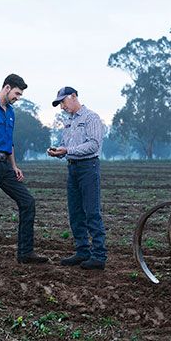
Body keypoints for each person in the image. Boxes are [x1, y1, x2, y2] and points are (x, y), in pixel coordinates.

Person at [0, 74, 48, 270]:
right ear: (6, 87)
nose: (18, 98)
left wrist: (14, 166)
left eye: (20, 95)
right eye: (16, 93)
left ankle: (25, 252)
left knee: (27, 201)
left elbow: (9, 143)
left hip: (6, 166)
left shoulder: (10, 113)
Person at [47, 86, 107, 270]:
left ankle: (99, 255)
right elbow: (66, 146)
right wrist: (58, 151)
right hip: (72, 168)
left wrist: (68, 150)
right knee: (75, 213)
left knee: (91, 212)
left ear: (73, 97)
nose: (62, 107)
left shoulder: (91, 118)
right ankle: (82, 251)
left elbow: (93, 145)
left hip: (88, 167)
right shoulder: (68, 122)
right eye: (59, 104)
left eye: (63, 102)